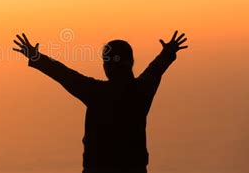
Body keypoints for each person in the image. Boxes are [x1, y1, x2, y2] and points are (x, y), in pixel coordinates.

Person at [12, 31, 188, 173]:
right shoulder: (142, 90)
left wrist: (35, 56)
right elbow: (156, 69)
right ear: (131, 63)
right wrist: (169, 51)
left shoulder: (96, 93)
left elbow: (63, 74)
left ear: (107, 66)